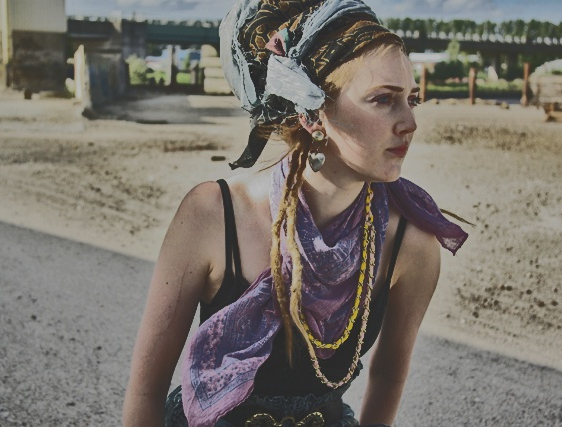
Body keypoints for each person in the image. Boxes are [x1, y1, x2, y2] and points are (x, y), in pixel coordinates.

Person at [122, 1, 468, 426]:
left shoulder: (410, 243)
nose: (410, 122)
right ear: (312, 114)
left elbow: (388, 377)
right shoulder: (212, 215)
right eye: (383, 99)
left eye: (412, 99)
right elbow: (145, 393)